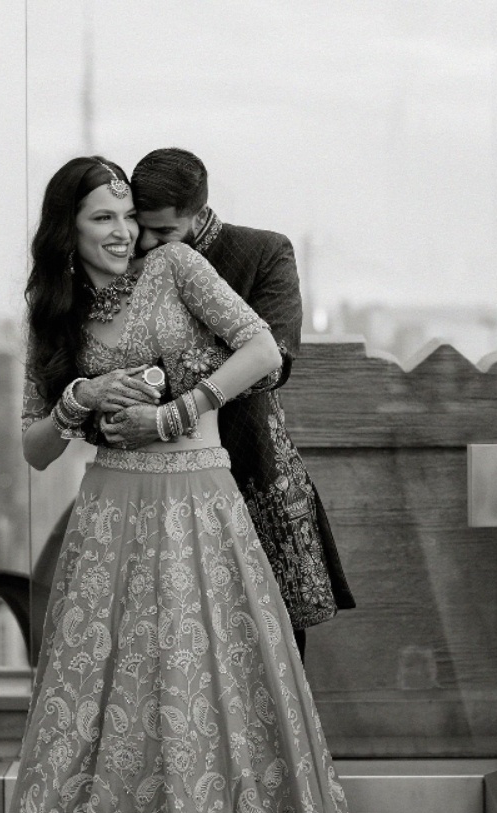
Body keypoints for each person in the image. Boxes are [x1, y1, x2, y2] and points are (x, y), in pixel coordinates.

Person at [0, 156, 390, 813]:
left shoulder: (175, 267)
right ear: (67, 231)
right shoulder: (52, 313)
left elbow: (261, 347)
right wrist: (79, 397)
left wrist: (178, 410)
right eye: (102, 217)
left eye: (126, 213)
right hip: (109, 520)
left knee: (218, 700)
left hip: (201, 507)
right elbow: (33, 446)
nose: (122, 230)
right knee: (107, 714)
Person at [103, 147, 355, 662]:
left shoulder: (263, 252)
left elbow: (274, 361)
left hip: (251, 462)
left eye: (164, 232)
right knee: (168, 640)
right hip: (158, 478)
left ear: (198, 213)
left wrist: (169, 401)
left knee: (273, 642)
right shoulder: (126, 259)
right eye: (141, 227)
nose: (145, 243)